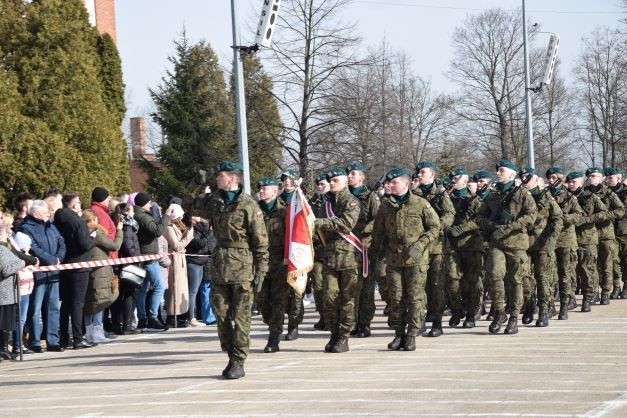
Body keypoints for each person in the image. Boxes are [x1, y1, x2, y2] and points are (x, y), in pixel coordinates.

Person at [206, 161, 269, 379]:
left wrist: (261, 271)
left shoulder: (248, 205)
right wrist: (195, 183)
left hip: (242, 267)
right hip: (220, 266)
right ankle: (230, 351)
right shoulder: (214, 202)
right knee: (221, 315)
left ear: (232, 179)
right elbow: (189, 204)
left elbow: (261, 242)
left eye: (220, 175)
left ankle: (238, 360)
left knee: (242, 318)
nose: (216, 179)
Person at [371, 168, 440, 351]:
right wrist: (372, 256)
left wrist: (421, 243)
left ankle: (412, 335)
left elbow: (434, 227)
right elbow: (377, 233)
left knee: (415, 298)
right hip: (393, 259)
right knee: (396, 298)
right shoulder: (385, 206)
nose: (390, 185)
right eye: (389, 183)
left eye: (394, 182)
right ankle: (398, 334)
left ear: (406, 183)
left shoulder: (420, 204)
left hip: (415, 259)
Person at [476, 159, 537, 335]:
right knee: (494, 275)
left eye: (501, 170)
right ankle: (500, 312)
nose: (498, 173)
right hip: (496, 243)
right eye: (497, 171)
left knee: (516, 280)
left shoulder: (523, 194)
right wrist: (491, 225)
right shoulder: (492, 195)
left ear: (511, 174)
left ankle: (514, 317)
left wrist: (510, 226)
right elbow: (479, 216)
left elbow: (531, 216)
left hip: (516, 244)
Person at [314, 168, 361, 354]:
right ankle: (334, 332)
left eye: (335, 180)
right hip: (330, 257)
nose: (331, 183)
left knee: (347, 299)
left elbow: (345, 224)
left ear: (344, 182)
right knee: (329, 298)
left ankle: (344, 335)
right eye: (329, 181)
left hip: (348, 257)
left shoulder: (350, 201)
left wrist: (318, 222)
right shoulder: (325, 203)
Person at [413, 161, 455, 337]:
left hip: (436, 246)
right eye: (418, 172)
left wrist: (436, 227)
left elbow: (449, 214)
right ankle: (419, 321)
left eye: (423, 172)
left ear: (432, 175)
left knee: (436, 285)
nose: (419, 175)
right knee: (417, 285)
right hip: (418, 246)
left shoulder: (440, 193)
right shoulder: (413, 194)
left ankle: (437, 322)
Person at [19, 200, 66, 352]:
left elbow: (61, 242)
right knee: (35, 308)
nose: (49, 213)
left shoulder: (51, 226)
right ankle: (35, 341)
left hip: (53, 273)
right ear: (35, 213)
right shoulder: (26, 228)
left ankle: (53, 340)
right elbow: (33, 248)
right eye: (46, 211)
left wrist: (59, 257)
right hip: (38, 274)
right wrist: (52, 260)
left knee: (53, 307)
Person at [519, 167, 563, 327]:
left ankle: (544, 311)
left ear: (536, 180)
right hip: (523, 244)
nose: (525, 181)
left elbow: (558, 219)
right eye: (522, 178)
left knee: (543, 278)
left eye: (528, 178)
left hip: (542, 243)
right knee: (525, 278)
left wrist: (552, 240)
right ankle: (530, 306)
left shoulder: (547, 197)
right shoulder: (520, 197)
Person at [54, 192, 97, 349]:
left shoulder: (57, 220)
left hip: (65, 263)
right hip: (80, 264)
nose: (80, 204)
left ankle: (64, 338)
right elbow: (85, 244)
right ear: (72, 205)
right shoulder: (77, 221)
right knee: (78, 303)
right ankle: (78, 338)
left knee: (66, 303)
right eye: (78, 202)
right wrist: (94, 238)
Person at [444, 168, 485, 328]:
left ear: (465, 181)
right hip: (452, 246)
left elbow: (480, 219)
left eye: (456, 178)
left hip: (471, 245)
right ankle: (456, 309)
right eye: (452, 178)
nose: (453, 180)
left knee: (472, 281)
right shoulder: (446, 199)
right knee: (452, 280)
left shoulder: (475, 200)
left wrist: (462, 228)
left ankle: (470, 313)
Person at [255, 177, 290, 353]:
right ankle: (273, 325)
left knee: (278, 302)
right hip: (259, 264)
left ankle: (273, 338)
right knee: (261, 301)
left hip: (279, 264)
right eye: (260, 189)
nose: (261, 191)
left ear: (274, 192)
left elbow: (291, 238)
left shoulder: (284, 212)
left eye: (264, 189)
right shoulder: (254, 211)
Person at [345, 162, 380, 338]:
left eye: (353, 174)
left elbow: (378, 219)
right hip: (345, 248)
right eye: (348, 174)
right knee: (349, 287)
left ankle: (364, 323)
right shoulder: (342, 197)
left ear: (362, 177)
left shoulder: (371, 197)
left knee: (366, 288)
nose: (349, 177)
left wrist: (366, 230)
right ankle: (350, 322)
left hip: (364, 246)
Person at [566, 171, 606, 312]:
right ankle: (570, 298)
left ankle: (588, 297)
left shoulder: (590, 196)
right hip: (569, 238)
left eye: (574, 181)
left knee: (586, 269)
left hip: (586, 238)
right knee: (569, 270)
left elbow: (603, 213)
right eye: (569, 181)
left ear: (581, 182)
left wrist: (586, 220)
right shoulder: (564, 197)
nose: (571, 184)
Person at [82, 209, 123, 344]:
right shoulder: (96, 233)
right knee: (101, 301)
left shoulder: (82, 232)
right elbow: (115, 246)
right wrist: (119, 231)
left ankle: (89, 333)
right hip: (100, 271)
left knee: (89, 303)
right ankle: (97, 331)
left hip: (88, 270)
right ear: (93, 220)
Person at [546, 167, 582, 320]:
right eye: (549, 177)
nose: (551, 180)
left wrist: (562, 219)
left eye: (554, 177)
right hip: (548, 240)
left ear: (561, 179)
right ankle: (550, 306)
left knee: (565, 274)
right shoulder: (545, 195)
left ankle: (565, 305)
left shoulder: (569, 197)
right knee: (549, 275)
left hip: (566, 240)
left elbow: (578, 215)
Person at [585, 167, 624, 305]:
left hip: (605, 233)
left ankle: (606, 291)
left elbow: (620, 210)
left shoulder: (608, 194)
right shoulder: (585, 194)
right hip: (589, 234)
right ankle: (594, 292)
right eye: (589, 176)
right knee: (591, 265)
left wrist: (604, 216)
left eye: (594, 176)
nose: (591, 178)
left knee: (608, 264)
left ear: (601, 178)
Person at [134, 192, 172, 331]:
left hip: (145, 256)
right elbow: (157, 231)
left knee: (143, 289)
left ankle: (143, 319)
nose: (151, 205)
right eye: (149, 202)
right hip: (148, 256)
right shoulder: (143, 216)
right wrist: (166, 216)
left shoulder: (139, 215)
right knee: (159, 286)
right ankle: (152, 318)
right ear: (144, 203)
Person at [278, 169, 305, 340]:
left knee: (296, 292)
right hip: (279, 250)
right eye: (284, 179)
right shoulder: (278, 200)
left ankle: (293, 325)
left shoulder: (301, 199)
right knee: (280, 293)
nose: (286, 181)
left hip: (297, 251)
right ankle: (278, 324)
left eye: (289, 178)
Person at [110, 202, 142, 335]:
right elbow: (129, 246)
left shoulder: (123, 224)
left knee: (122, 295)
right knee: (129, 294)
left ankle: (118, 324)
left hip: (123, 264)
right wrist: (137, 258)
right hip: (129, 264)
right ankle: (127, 325)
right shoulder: (128, 226)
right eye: (132, 210)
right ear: (127, 212)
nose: (133, 213)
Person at [164, 203, 194, 327]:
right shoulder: (169, 228)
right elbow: (176, 246)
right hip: (175, 259)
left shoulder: (175, 226)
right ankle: (173, 316)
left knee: (181, 288)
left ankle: (180, 315)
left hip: (180, 258)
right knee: (175, 288)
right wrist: (189, 237)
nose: (181, 218)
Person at [183, 213, 215, 327]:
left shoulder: (200, 230)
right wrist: (210, 233)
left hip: (200, 263)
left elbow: (207, 224)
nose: (198, 221)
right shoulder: (190, 231)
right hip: (193, 263)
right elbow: (201, 244)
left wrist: (201, 218)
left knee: (195, 291)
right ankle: (191, 317)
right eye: (195, 219)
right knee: (192, 292)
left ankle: (192, 316)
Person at [309, 173, 330, 330]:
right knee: (318, 285)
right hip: (317, 249)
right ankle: (323, 315)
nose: (320, 187)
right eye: (318, 185)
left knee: (332, 287)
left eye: (323, 184)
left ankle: (333, 316)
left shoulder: (335, 201)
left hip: (334, 249)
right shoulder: (311, 203)